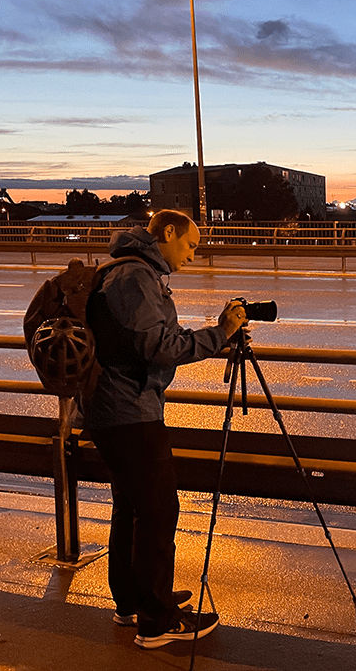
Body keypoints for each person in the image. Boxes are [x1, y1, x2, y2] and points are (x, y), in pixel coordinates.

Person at [82, 209, 248, 649]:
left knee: (132, 508)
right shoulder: (135, 278)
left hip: (114, 408)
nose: (193, 256)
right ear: (167, 233)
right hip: (130, 410)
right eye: (191, 245)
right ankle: (157, 621)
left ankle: (132, 601)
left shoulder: (125, 271)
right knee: (157, 512)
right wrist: (221, 333)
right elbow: (160, 346)